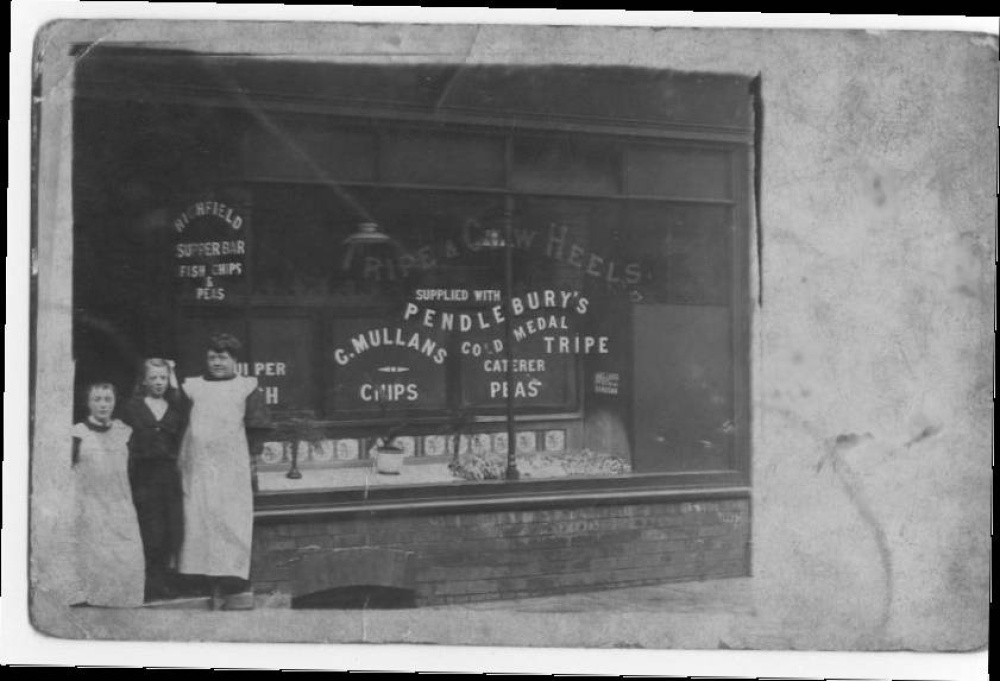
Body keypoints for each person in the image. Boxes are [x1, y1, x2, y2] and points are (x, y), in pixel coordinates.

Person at [174, 333, 270, 610]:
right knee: (199, 519)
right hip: (199, 467)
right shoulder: (193, 387)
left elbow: (257, 428)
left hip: (232, 468)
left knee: (230, 520)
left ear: (235, 360)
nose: (216, 362)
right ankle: (202, 582)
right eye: (212, 357)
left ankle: (231, 583)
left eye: (223, 357)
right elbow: (176, 420)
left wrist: (253, 463)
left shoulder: (246, 387)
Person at [71, 382, 145, 607]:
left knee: (125, 551)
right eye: (97, 399)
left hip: (120, 502)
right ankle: (93, 599)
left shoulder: (124, 431)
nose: (103, 405)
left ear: (114, 402)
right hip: (89, 504)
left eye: (107, 400)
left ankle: (122, 600)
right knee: (93, 552)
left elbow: (134, 467)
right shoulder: (77, 433)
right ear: (88, 402)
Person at [120, 358, 186, 601]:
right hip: (143, 476)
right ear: (144, 380)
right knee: (150, 531)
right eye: (154, 377)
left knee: (171, 530)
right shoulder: (132, 407)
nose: (158, 382)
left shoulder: (175, 407)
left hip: (169, 476)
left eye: (163, 378)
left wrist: (174, 376)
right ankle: (147, 583)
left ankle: (163, 581)